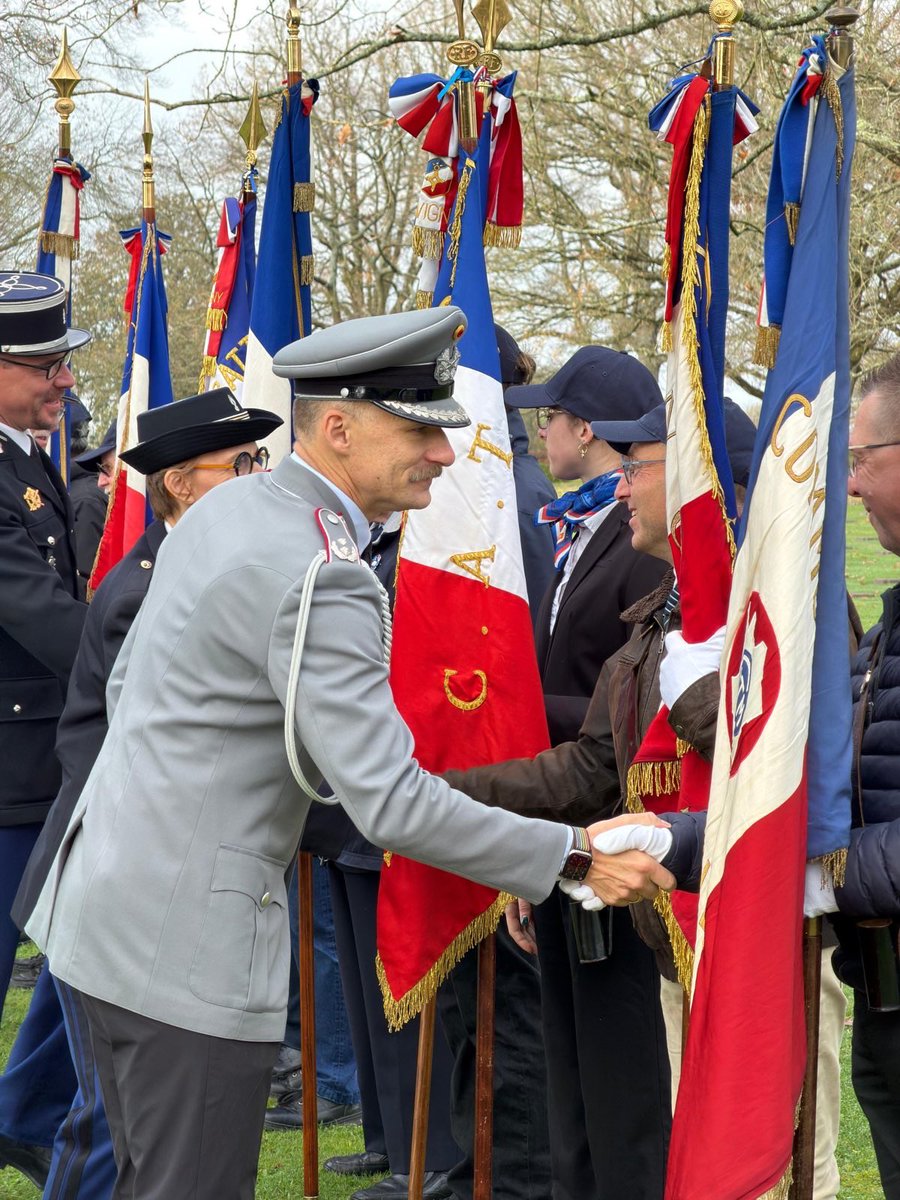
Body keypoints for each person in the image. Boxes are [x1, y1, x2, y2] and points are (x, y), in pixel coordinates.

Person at [26, 307, 670, 1200]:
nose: (446, 456)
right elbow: (392, 805)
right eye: (419, 431)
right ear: (337, 428)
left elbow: (138, 692)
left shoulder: (234, 509)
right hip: (186, 950)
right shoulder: (321, 569)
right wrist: (570, 855)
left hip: (108, 916)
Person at [441, 399, 756, 1200]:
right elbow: (587, 768)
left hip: (732, 933)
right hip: (647, 919)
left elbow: (748, 752)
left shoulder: (769, 619)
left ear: (699, 488)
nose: (622, 490)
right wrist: (438, 792)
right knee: (599, 1130)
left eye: (640, 469)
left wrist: (693, 672)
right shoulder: (661, 619)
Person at [0, 388, 283, 1197]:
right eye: (240, 464)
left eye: (258, 459)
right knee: (106, 1123)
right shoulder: (148, 590)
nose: (257, 477)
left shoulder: (185, 573)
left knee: (110, 1117)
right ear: (180, 486)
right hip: (123, 876)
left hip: (134, 871)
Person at [659, 354, 900, 1199]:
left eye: (860, 460)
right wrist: (667, 838)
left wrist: (818, 878)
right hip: (881, 987)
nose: (851, 488)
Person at [481, 345, 669, 1200]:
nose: (542, 428)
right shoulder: (575, 532)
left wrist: (499, 725)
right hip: (559, 828)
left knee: (620, 1083)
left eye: (551, 416)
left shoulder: (644, 551)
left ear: (585, 430)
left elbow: (618, 722)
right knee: (573, 1078)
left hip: (617, 843)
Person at [0, 271, 89, 1014]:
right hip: (8, 770)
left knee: (86, 963)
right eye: (43, 366)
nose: (65, 378)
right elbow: (43, 613)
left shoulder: (23, 456)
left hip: (39, 759)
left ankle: (28, 1124)